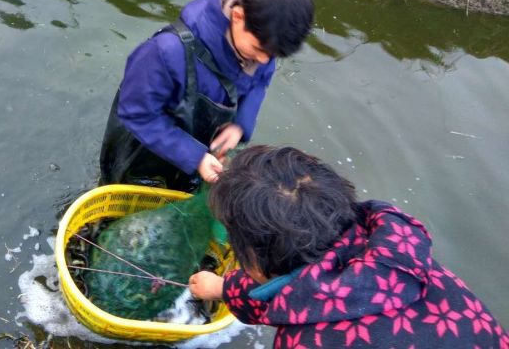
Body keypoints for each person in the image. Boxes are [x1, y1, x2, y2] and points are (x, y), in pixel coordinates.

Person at [189, 145, 509, 348]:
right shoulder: (397, 257)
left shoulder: (307, 342)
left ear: (256, 262)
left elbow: (292, 284)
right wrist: (223, 288)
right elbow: (301, 281)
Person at [100, 0, 314, 192]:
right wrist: (194, 157)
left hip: (197, 155)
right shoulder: (165, 51)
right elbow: (136, 113)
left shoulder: (266, 41)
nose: (264, 61)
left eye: (273, 55)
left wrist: (240, 124)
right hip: (139, 155)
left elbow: (260, 82)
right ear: (238, 16)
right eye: (259, 50)